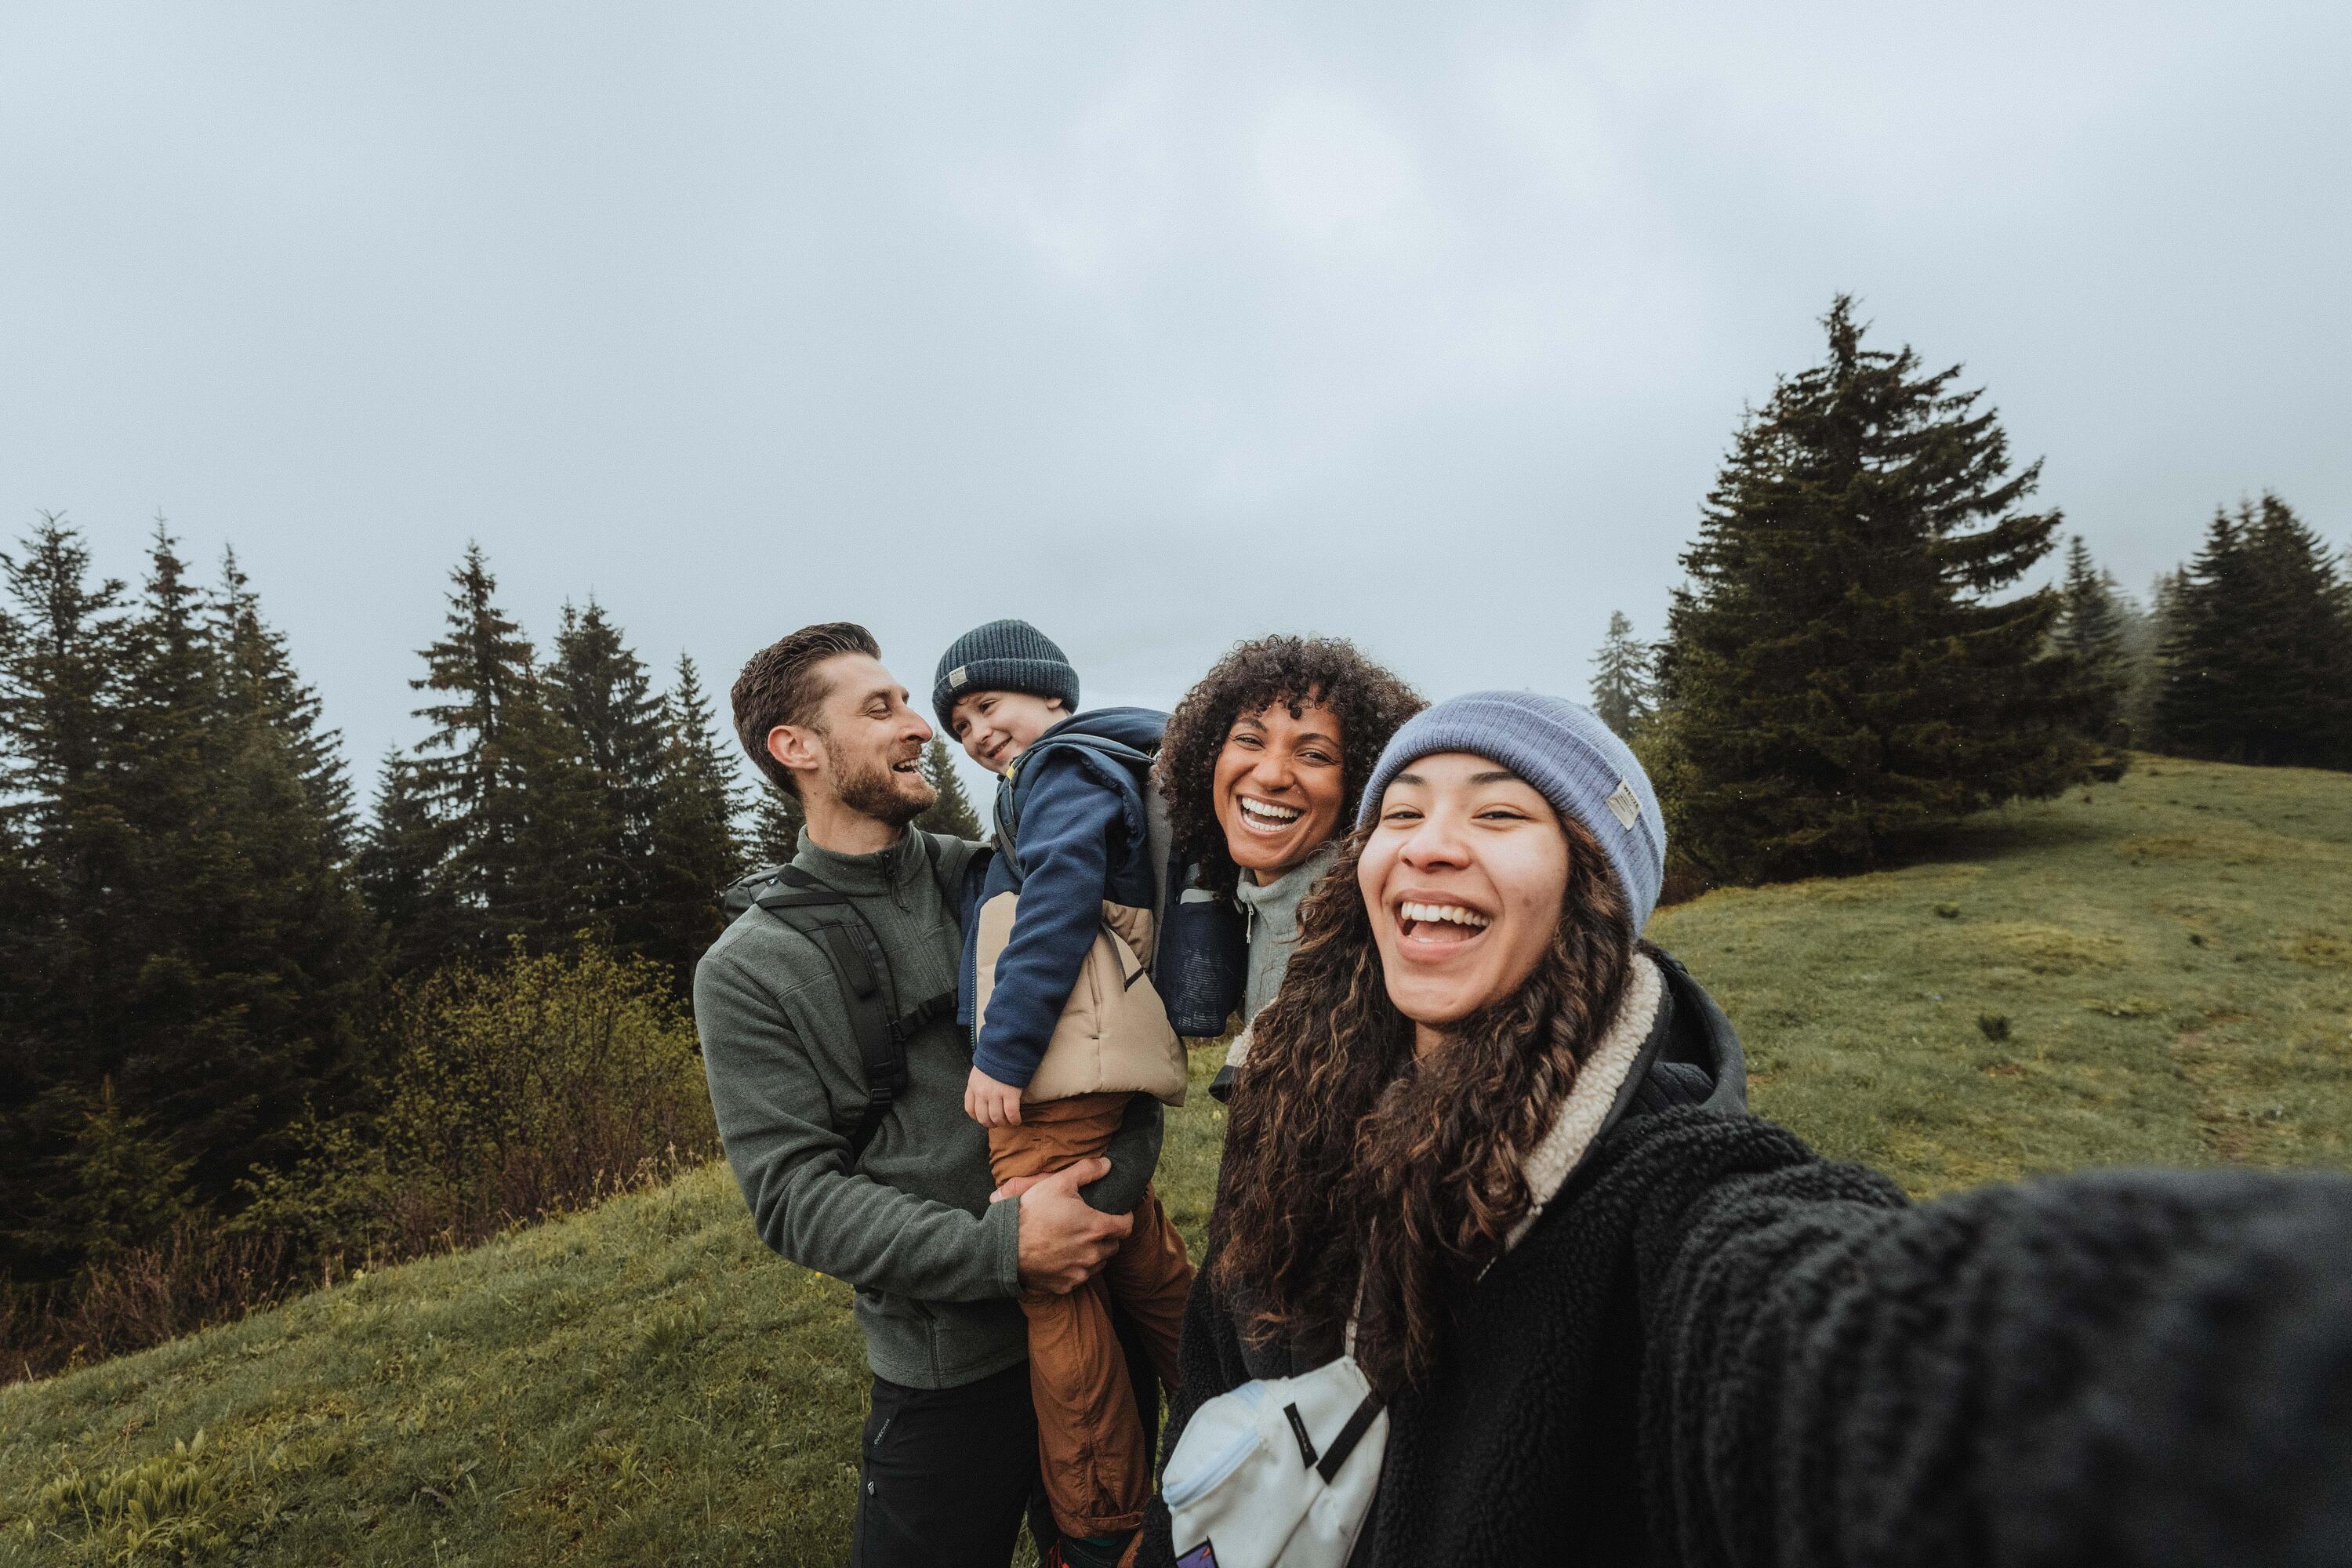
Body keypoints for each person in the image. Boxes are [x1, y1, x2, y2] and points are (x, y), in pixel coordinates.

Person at [1144, 690, 2352, 1566]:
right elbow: (1215, 1371)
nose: (1432, 843)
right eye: (1401, 811)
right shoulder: (1287, 1109)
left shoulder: (1667, 1186)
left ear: (1593, 891)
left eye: (1501, 815)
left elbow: (1847, 1337)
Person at [694, 622, 1161, 1568]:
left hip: (1104, 1307)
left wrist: (1099, 1206)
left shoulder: (994, 875)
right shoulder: (748, 969)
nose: (923, 728)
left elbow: (1122, 1059)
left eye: (915, 704)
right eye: (884, 708)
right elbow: (793, 1197)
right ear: (798, 749)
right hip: (948, 1375)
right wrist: (1005, 1247)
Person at [932, 618, 1198, 1568]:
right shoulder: (1085, 765)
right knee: (1137, 1248)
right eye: (958, 722)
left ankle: (1102, 1530)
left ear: (1052, 694)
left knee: (1059, 1290)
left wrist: (1001, 1052)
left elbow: (1059, 895)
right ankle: (1227, 1389)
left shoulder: (1060, 769)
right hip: (1085, 1056)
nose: (974, 732)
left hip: (1049, 1071)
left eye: (987, 704)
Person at [1150, 635, 1424, 1102]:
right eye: (1249, 740)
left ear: (1362, 780)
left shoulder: (1378, 929)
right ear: (1209, 756)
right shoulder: (1255, 900)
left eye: (1314, 754)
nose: (1272, 774)